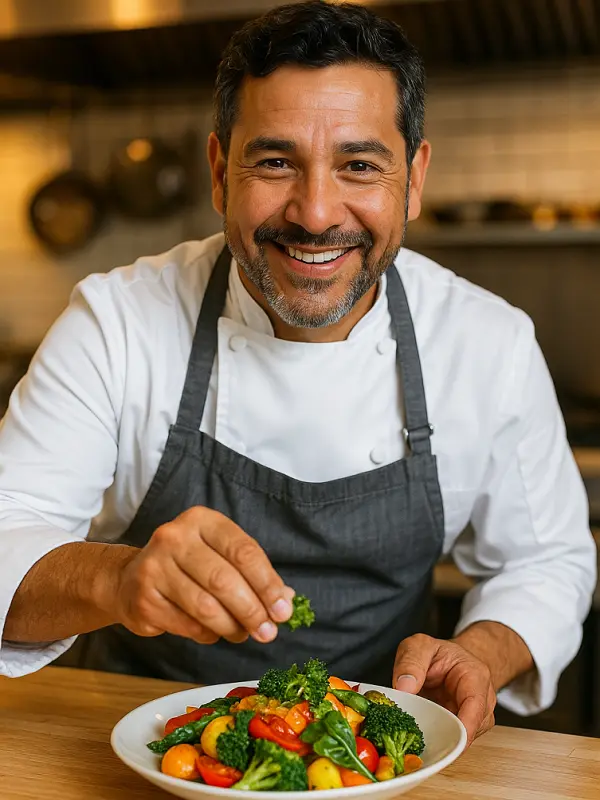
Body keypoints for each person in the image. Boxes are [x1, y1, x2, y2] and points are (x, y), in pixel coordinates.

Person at [0, 0, 595, 748]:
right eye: (275, 161)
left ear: (413, 179)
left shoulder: (488, 344)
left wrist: (479, 653)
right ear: (220, 173)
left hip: (374, 755)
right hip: (139, 754)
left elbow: (547, 561)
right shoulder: (117, 322)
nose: (315, 213)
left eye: (359, 165)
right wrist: (116, 579)